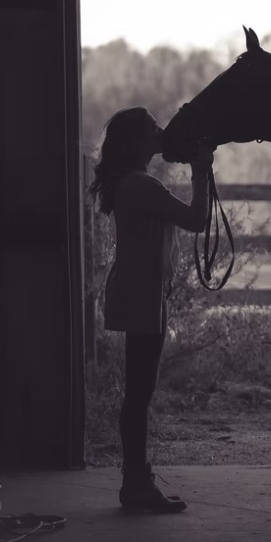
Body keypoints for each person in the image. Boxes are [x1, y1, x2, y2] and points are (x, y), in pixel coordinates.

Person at [87, 106, 213, 513]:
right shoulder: (142, 186)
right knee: (140, 393)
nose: (161, 133)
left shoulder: (134, 182)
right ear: (138, 141)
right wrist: (201, 170)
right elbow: (197, 219)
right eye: (154, 129)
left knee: (139, 392)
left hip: (140, 290)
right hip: (142, 293)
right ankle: (137, 485)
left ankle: (136, 482)